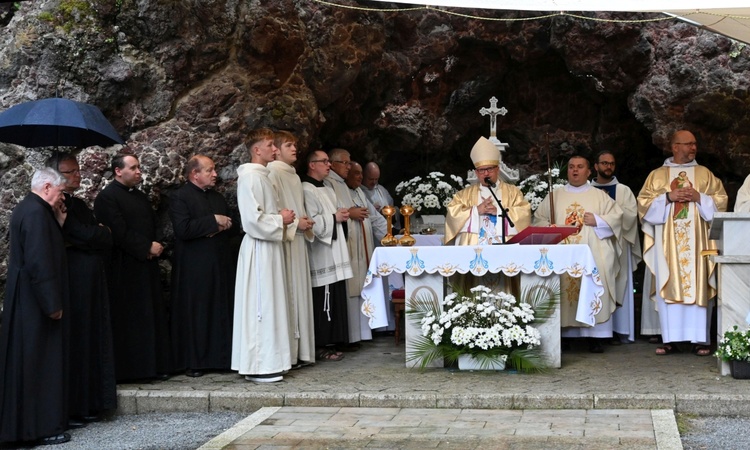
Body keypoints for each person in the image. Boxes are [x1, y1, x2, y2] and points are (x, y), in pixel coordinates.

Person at [637, 130, 728, 356]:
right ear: (674, 147)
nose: (693, 148)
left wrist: (700, 198)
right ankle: (669, 339)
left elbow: (721, 202)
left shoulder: (705, 174)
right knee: (668, 282)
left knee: (697, 284)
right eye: (688, 144)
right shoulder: (657, 176)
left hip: (697, 245)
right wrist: (668, 197)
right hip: (667, 245)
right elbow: (643, 207)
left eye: (695, 144)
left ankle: (700, 339)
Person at [0, 167, 71, 446]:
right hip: (35, 303)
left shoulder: (29, 209)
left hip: (26, 299)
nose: (62, 196)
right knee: (39, 364)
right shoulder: (37, 214)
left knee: (28, 362)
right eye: (60, 191)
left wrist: (59, 221)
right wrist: (52, 304)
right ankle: (38, 428)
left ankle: (28, 427)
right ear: (46, 187)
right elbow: (40, 263)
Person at [46, 153, 116, 424]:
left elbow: (101, 236)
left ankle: (93, 401)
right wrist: (97, 233)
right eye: (69, 171)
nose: (77, 175)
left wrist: (97, 234)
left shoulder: (78, 204)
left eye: (77, 170)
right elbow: (86, 234)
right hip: (74, 281)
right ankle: (77, 404)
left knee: (92, 337)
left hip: (90, 279)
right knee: (79, 338)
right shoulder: (57, 206)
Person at [534, 155, 623, 353]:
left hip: (592, 252)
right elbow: (538, 219)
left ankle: (596, 336)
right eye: (572, 167)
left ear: (589, 171)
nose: (575, 170)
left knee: (593, 281)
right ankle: (563, 335)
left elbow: (617, 218)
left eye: (580, 167)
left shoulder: (599, 196)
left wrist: (598, 220)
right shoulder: (554, 196)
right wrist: (549, 226)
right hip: (562, 253)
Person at [94, 153, 170, 382]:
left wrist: (156, 244)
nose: (139, 172)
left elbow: (153, 223)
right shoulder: (107, 198)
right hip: (124, 267)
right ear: (118, 171)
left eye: (138, 167)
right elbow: (117, 231)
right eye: (133, 168)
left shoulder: (139, 195)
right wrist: (146, 247)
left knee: (150, 315)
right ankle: (134, 370)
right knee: (132, 318)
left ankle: (154, 366)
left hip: (146, 265)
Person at [231, 128, 295, 382]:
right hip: (259, 248)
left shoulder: (264, 176)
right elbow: (251, 220)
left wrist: (283, 219)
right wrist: (282, 218)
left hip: (271, 247)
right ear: (256, 150)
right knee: (262, 305)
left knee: (272, 304)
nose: (275, 149)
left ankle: (268, 362)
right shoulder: (250, 178)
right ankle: (259, 365)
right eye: (270, 145)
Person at [169, 155, 238, 378]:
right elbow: (183, 229)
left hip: (219, 263)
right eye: (209, 170)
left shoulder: (217, 197)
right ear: (194, 174)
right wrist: (213, 220)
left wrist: (216, 225)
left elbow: (231, 225)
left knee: (220, 309)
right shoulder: (180, 197)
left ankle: (221, 358)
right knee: (197, 312)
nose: (215, 174)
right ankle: (195, 361)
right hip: (194, 267)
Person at [268, 131, 316, 368]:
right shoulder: (273, 172)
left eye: (295, 144)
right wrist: (297, 223)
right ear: (275, 149)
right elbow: (275, 210)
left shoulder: (294, 176)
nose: (294, 148)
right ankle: (290, 352)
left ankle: (302, 352)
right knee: (289, 294)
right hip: (285, 241)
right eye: (289, 144)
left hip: (297, 241)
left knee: (299, 293)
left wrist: (305, 222)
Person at [302, 150, 352, 361]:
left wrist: (340, 215)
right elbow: (312, 222)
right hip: (322, 253)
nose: (328, 165)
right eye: (324, 162)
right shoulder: (306, 189)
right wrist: (335, 217)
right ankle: (322, 345)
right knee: (324, 299)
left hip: (335, 250)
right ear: (312, 165)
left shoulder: (328, 187)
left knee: (336, 296)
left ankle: (335, 340)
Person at [590, 151, 643, 344]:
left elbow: (630, 216)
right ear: (595, 166)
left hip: (619, 244)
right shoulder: (587, 190)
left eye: (611, 163)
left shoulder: (623, 190)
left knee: (620, 283)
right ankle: (596, 331)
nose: (608, 167)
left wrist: (607, 214)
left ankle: (620, 329)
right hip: (593, 245)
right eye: (604, 163)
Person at [445, 136, 531, 245]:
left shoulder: (513, 193)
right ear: (476, 173)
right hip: (474, 247)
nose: (486, 173)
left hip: (504, 249)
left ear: (497, 169)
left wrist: (499, 212)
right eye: (482, 170)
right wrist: (476, 211)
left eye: (490, 169)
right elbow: (452, 216)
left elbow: (524, 213)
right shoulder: (463, 195)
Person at [325, 148, 368, 348]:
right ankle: (349, 336)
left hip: (356, 241)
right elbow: (331, 212)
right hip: (343, 241)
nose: (349, 167)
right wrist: (350, 213)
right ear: (332, 164)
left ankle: (357, 335)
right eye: (345, 163)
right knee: (348, 288)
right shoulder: (328, 183)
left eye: (350, 163)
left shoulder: (343, 185)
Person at [344, 161, 388, 342]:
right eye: (356, 173)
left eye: (361, 173)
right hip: (351, 251)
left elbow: (376, 219)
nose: (360, 177)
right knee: (354, 291)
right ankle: (354, 336)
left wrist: (390, 235)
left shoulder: (360, 192)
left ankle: (366, 332)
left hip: (365, 250)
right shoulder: (341, 192)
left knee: (365, 286)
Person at [362, 161, 400, 229]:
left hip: (386, 228)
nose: (374, 182)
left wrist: (389, 211)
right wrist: (373, 210)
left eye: (376, 179)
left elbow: (393, 207)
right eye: (371, 179)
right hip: (371, 230)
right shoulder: (359, 191)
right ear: (363, 175)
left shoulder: (381, 189)